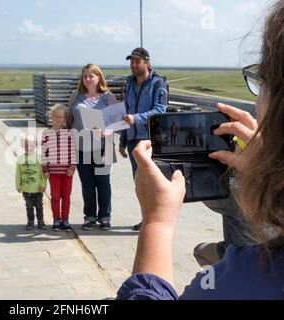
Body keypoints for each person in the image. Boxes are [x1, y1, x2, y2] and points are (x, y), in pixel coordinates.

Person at [117, 0, 284, 299]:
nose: (132, 64)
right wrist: (271, 171)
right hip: (136, 138)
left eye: (262, 79)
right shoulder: (129, 84)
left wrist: (156, 223)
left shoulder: (235, 282)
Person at [119, 48, 168, 231]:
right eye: (131, 61)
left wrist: (137, 118)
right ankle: (146, 218)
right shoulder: (129, 83)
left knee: (151, 180)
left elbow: (160, 110)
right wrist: (122, 140)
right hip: (132, 139)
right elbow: (126, 112)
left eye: (137, 61)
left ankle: (156, 220)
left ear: (147, 63)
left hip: (149, 139)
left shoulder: (157, 83)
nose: (133, 65)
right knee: (139, 182)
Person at [66, 64, 118, 231]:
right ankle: (89, 216)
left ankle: (104, 216)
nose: (88, 79)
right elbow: (69, 119)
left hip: (103, 147)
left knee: (103, 183)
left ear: (99, 78)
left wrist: (108, 131)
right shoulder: (76, 96)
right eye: (85, 76)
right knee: (87, 183)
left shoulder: (108, 97)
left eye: (91, 76)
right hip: (81, 146)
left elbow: (117, 122)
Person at [41, 104, 77, 232]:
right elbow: (44, 152)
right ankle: (56, 218)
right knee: (55, 196)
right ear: (51, 117)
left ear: (65, 118)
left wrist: (72, 167)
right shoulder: (46, 133)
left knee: (66, 196)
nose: (58, 119)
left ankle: (65, 219)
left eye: (61, 117)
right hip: (53, 172)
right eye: (55, 116)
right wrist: (45, 169)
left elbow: (73, 152)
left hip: (67, 171)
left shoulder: (69, 133)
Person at [16, 133, 47, 230]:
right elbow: (18, 173)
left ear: (35, 146)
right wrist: (18, 185)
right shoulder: (20, 159)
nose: (29, 147)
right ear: (22, 146)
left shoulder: (39, 158)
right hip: (26, 189)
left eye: (31, 145)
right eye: (26, 145)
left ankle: (41, 222)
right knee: (29, 206)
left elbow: (43, 174)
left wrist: (43, 185)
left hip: (37, 189)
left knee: (39, 206)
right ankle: (30, 222)